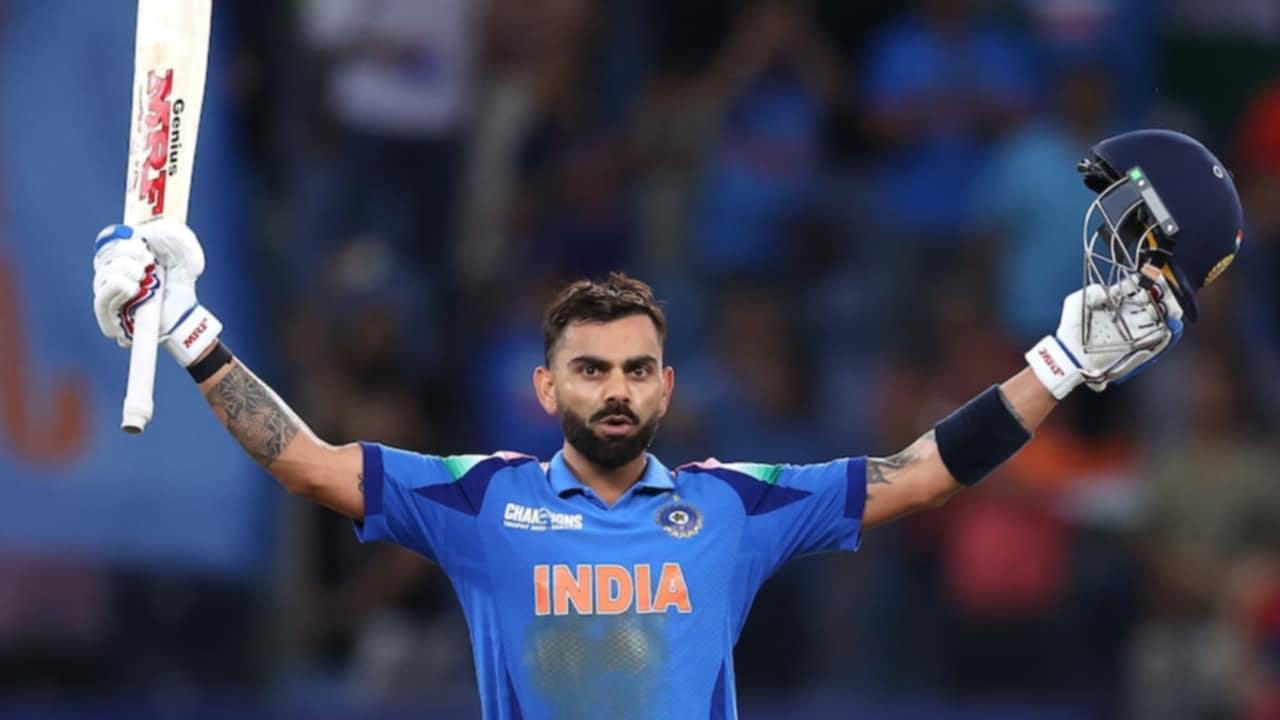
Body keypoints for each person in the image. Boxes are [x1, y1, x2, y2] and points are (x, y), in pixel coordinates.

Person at [88, 128, 1242, 718]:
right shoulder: (482, 499)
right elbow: (305, 462)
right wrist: (187, 328)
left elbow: (921, 472)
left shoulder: (730, 507)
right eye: (589, 369)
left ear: (666, 387)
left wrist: (1059, 362)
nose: (615, 388)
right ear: (546, 390)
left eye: (636, 369)